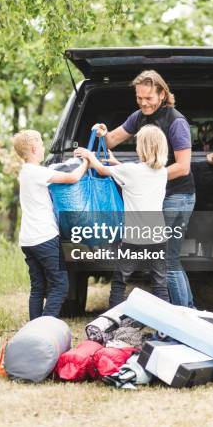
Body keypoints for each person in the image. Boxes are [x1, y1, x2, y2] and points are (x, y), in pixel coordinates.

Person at [92, 69, 196, 308]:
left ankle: (183, 317)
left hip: (178, 195)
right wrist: (101, 132)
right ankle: (188, 311)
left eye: (148, 98)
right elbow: (110, 141)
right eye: (139, 98)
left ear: (161, 93)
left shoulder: (176, 121)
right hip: (161, 194)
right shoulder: (138, 117)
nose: (143, 103)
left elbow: (183, 167)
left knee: (168, 262)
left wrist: (144, 177)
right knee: (170, 261)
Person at [76, 125, 170, 307]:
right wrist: (115, 162)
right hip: (158, 236)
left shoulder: (131, 171)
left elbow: (102, 171)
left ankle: (112, 322)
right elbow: (136, 175)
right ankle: (164, 329)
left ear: (142, 147)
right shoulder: (162, 172)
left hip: (134, 238)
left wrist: (89, 155)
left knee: (120, 281)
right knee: (159, 283)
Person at [13, 129, 88, 320]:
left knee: (38, 287)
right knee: (60, 284)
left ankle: (34, 328)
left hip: (28, 240)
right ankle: (44, 327)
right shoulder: (37, 172)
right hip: (44, 237)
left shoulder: (25, 172)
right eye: (41, 144)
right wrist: (87, 162)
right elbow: (72, 178)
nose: (43, 147)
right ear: (33, 148)